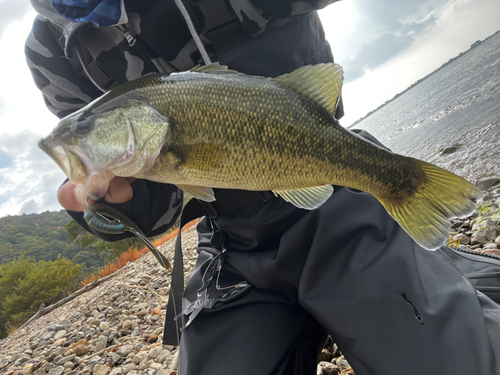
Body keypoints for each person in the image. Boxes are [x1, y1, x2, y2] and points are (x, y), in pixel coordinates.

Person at [26, 1, 500, 374]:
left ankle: (427, 253)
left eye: (85, 132)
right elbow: (165, 199)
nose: (70, 143)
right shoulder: (50, 50)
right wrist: (114, 207)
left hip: (335, 198)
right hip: (231, 245)